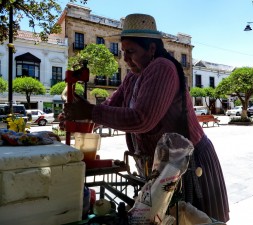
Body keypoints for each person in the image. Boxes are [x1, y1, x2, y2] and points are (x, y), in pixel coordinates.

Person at [63, 13, 229, 222]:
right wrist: (81, 118)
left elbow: (142, 119)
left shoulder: (162, 68)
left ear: (151, 49)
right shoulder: (133, 76)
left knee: (188, 217)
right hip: (162, 164)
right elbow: (110, 105)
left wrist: (89, 112)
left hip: (186, 162)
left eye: (131, 51)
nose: (125, 58)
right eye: (123, 51)